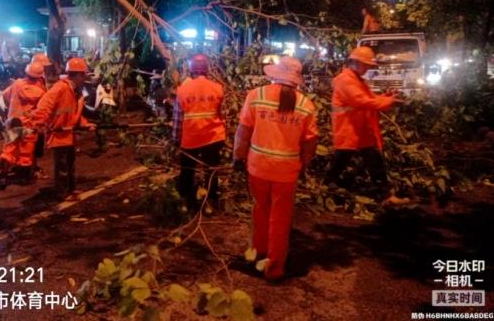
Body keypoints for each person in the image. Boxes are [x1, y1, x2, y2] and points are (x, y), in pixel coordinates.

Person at [233, 56, 318, 282]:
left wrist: (237, 157)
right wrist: (305, 164)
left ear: (274, 74)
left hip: (258, 166)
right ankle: (275, 268)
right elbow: (310, 140)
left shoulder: (257, 95)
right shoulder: (305, 104)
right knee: (280, 219)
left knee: (260, 210)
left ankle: (259, 256)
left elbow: (243, 132)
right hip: (287, 170)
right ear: (296, 79)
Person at [328, 46, 405, 204]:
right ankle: (326, 186)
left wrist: (386, 97)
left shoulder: (355, 79)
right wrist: (389, 101)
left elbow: (368, 98)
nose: (368, 68)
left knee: (373, 159)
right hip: (349, 128)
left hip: (358, 128)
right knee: (341, 160)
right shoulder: (346, 80)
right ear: (355, 62)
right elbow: (362, 101)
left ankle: (385, 195)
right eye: (366, 64)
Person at [30, 57, 96, 198]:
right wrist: (39, 123)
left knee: (70, 165)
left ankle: (70, 190)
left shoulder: (74, 90)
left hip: (68, 134)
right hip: (58, 135)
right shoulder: (61, 88)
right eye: (83, 75)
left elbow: (73, 112)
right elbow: (44, 105)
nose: (84, 78)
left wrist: (84, 123)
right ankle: (62, 193)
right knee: (62, 167)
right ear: (77, 75)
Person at [173, 54, 226, 214]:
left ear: (191, 70)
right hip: (213, 136)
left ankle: (184, 203)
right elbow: (223, 115)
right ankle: (210, 204)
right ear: (207, 69)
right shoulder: (217, 88)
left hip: (191, 137)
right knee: (211, 171)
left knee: (187, 170)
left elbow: (178, 118)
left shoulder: (182, 90)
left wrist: (175, 139)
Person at [0, 61, 47, 190]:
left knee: (9, 150)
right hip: (29, 126)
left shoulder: (17, 84)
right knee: (26, 153)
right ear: (40, 76)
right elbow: (42, 108)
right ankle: (24, 178)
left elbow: (5, 97)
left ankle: (3, 177)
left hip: (14, 122)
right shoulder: (40, 91)